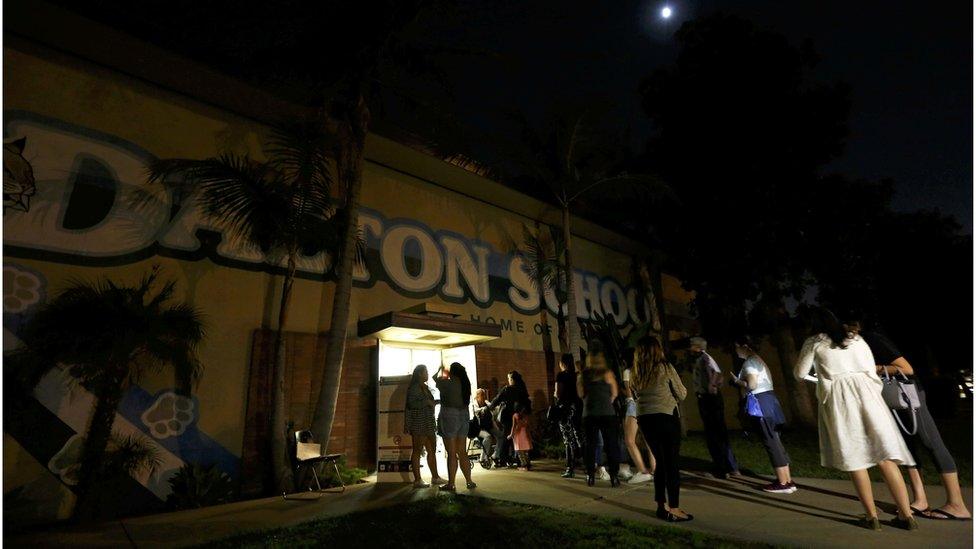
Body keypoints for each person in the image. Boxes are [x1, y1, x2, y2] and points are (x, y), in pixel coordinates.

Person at [795, 307, 917, 531]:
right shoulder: (856, 339)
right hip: (869, 396)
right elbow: (870, 369)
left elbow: (800, 373)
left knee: (855, 457)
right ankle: (907, 515)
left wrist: (822, 380)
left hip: (840, 400)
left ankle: (871, 517)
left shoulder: (813, 342)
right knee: (886, 456)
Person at [845, 319, 971, 521]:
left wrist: (873, 368)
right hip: (890, 396)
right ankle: (919, 500)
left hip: (908, 393)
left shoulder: (872, 339)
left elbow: (907, 368)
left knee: (931, 441)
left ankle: (957, 504)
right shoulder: (856, 344)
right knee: (907, 448)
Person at [632, 336, 692, 522]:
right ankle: (674, 508)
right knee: (671, 463)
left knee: (660, 462)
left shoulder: (636, 372)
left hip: (645, 419)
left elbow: (635, 394)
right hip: (666, 416)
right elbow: (682, 394)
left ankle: (660, 505)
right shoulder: (665, 368)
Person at [731, 336, 796, 494]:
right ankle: (787, 480)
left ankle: (783, 483)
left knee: (770, 442)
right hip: (771, 401)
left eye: (736, 347)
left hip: (760, 403)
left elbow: (752, 385)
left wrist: (737, 381)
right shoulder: (760, 360)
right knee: (776, 440)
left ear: (744, 346)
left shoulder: (750, 362)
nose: (735, 350)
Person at [689, 336, 739, 479]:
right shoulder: (703, 359)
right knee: (719, 433)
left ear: (698, 347)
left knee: (714, 433)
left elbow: (717, 374)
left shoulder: (705, 358)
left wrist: (712, 387)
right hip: (710, 399)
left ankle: (721, 469)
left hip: (709, 399)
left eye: (692, 346)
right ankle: (731, 467)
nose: (690, 348)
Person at [578, 340, 622, 487]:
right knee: (611, 445)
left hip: (589, 414)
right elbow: (615, 393)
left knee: (590, 445)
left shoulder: (583, 375)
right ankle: (614, 476)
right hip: (607, 413)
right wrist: (606, 401)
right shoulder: (608, 374)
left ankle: (590, 475)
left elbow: (581, 394)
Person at [434, 362, 476, 491]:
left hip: (450, 415)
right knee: (462, 452)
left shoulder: (447, 383)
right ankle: (469, 481)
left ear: (452, 372)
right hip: (464, 414)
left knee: (451, 453)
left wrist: (442, 369)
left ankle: (451, 483)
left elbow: (435, 378)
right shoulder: (465, 384)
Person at [404, 364, 444, 487]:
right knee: (417, 450)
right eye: (426, 372)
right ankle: (417, 480)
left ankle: (435, 477)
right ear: (420, 374)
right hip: (419, 423)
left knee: (431, 450)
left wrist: (434, 403)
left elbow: (428, 403)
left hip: (429, 422)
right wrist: (426, 402)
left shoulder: (425, 387)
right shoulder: (414, 388)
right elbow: (411, 404)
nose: (427, 374)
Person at [621, 358, 655, 484]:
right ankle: (655, 471)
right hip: (648, 405)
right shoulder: (645, 370)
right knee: (649, 441)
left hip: (634, 405)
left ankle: (643, 471)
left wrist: (622, 391)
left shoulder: (628, 371)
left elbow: (629, 394)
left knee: (629, 440)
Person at [488, 370, 530, 467]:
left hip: (507, 415)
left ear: (512, 379)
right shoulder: (522, 389)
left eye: (509, 378)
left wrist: (489, 408)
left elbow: (497, 399)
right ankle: (517, 457)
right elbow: (527, 402)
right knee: (515, 437)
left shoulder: (507, 389)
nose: (508, 380)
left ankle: (501, 457)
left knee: (506, 436)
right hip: (519, 416)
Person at [553, 353, 583, 478]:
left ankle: (570, 467)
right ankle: (588, 465)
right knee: (579, 437)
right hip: (577, 408)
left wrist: (556, 395)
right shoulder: (577, 375)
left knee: (568, 439)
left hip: (565, 410)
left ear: (562, 363)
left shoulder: (561, 376)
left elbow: (558, 393)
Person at [472, 388, 496, 467]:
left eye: (484, 395)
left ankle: (496, 455)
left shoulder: (485, 402)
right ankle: (483, 458)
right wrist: (484, 409)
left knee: (501, 436)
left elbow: (492, 407)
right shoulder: (474, 405)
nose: (484, 397)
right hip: (477, 428)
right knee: (488, 437)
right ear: (477, 396)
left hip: (488, 426)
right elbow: (477, 411)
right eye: (482, 395)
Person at [510, 401, 533, 470]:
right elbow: (528, 426)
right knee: (526, 451)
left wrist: (511, 434)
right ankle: (528, 464)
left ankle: (524, 465)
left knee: (520, 452)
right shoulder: (525, 416)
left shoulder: (515, 415)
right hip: (525, 433)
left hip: (518, 434)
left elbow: (513, 426)